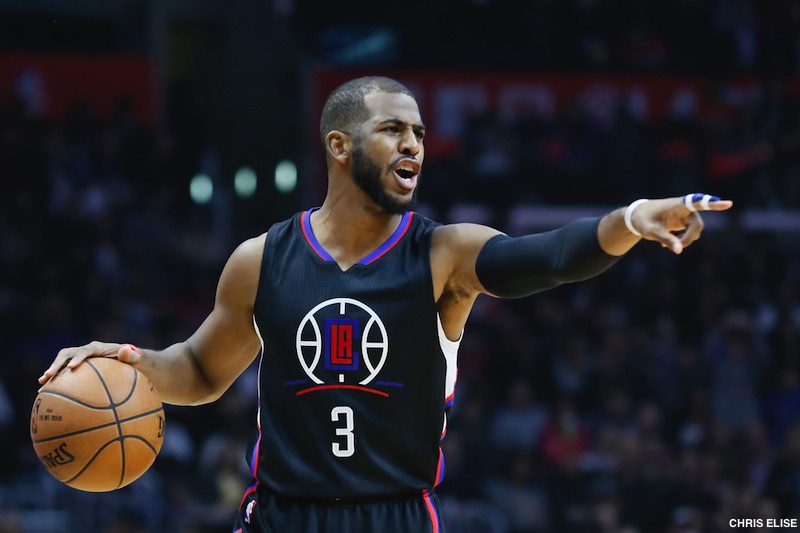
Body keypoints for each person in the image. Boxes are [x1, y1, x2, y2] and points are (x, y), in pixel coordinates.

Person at [38, 76, 733, 533]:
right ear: (339, 147)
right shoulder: (261, 258)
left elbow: (547, 258)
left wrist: (633, 219)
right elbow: (198, 369)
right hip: (283, 515)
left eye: (420, 134)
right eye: (394, 130)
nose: (414, 146)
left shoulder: (444, 254)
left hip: (393, 515)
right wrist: (131, 363)